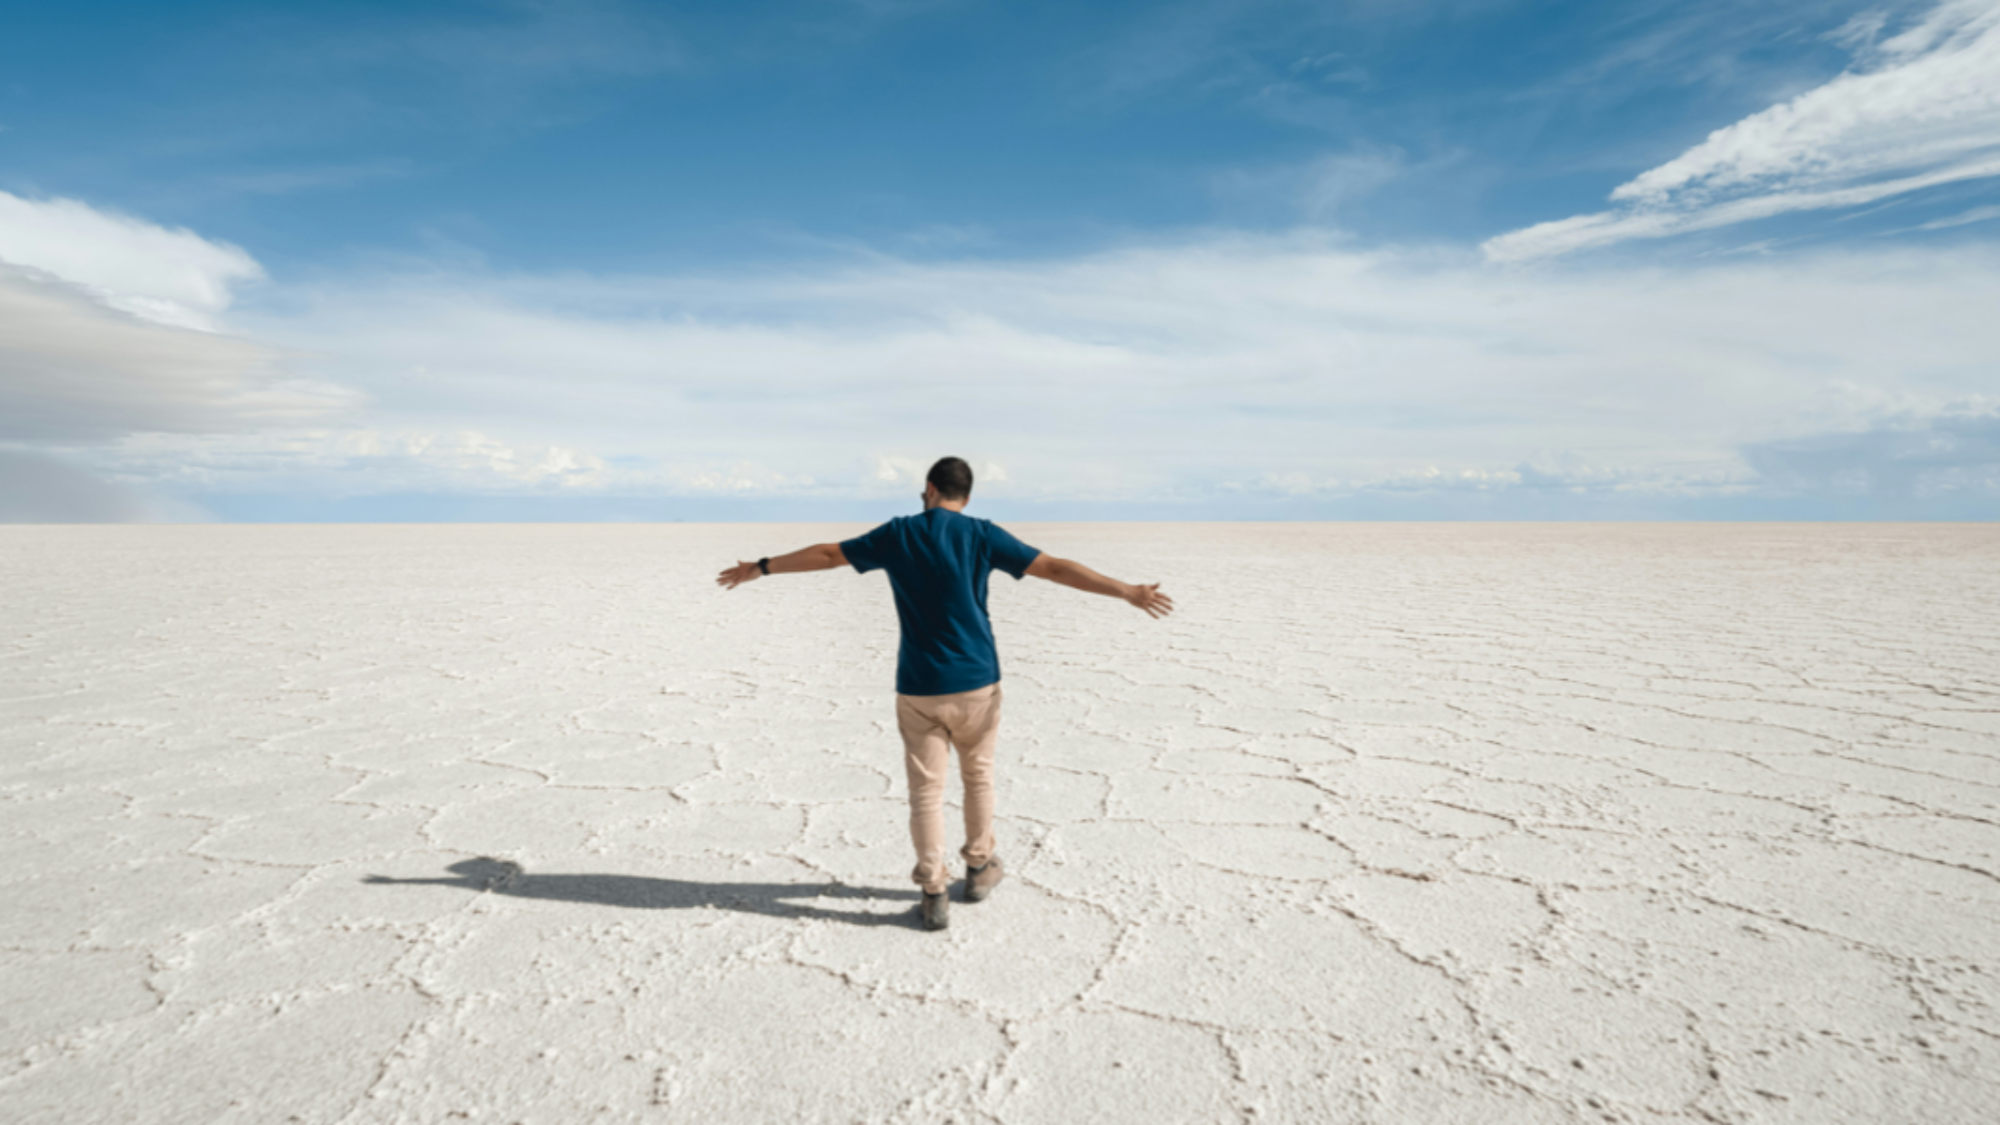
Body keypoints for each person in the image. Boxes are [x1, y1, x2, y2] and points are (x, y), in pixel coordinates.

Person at [715, 456, 1173, 931]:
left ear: (929, 489)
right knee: (978, 778)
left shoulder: (897, 533)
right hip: (977, 683)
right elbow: (1054, 568)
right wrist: (1127, 591)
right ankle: (979, 868)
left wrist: (762, 567)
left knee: (926, 793)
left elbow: (829, 554)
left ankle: (933, 891)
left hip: (918, 686)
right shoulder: (981, 533)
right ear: (966, 497)